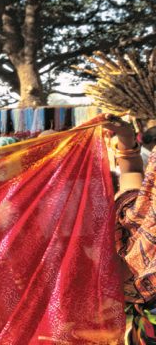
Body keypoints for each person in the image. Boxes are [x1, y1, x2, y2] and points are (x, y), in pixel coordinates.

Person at [102, 114, 154, 344]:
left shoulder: (135, 228)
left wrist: (125, 138)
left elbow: (131, 177)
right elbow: (132, 178)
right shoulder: (137, 219)